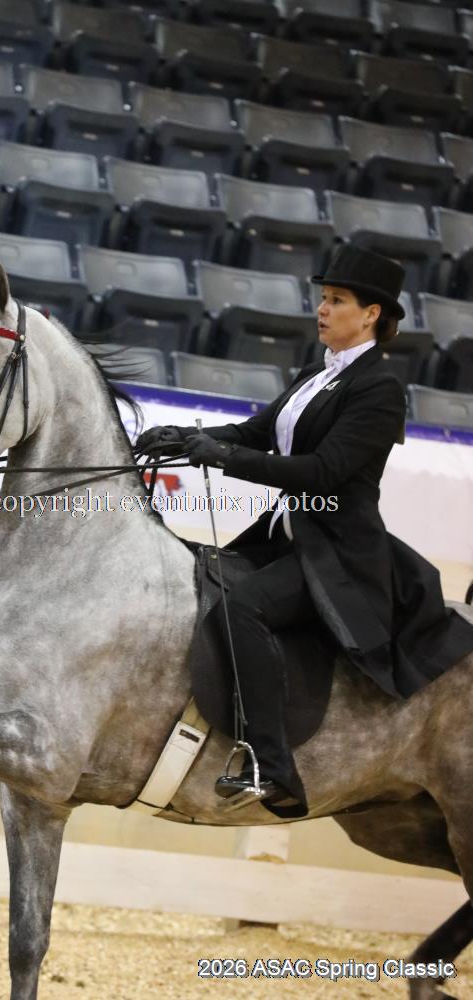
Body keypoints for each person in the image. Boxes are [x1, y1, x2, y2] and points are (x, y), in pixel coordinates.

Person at [136, 245, 473, 817]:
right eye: (323, 298)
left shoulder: (379, 389)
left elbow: (323, 472)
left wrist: (221, 458)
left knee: (241, 610)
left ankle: (271, 767)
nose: (322, 309)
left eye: (337, 300)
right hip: (285, 536)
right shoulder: (317, 373)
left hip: (340, 553)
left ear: (371, 314)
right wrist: (186, 439)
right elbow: (257, 432)